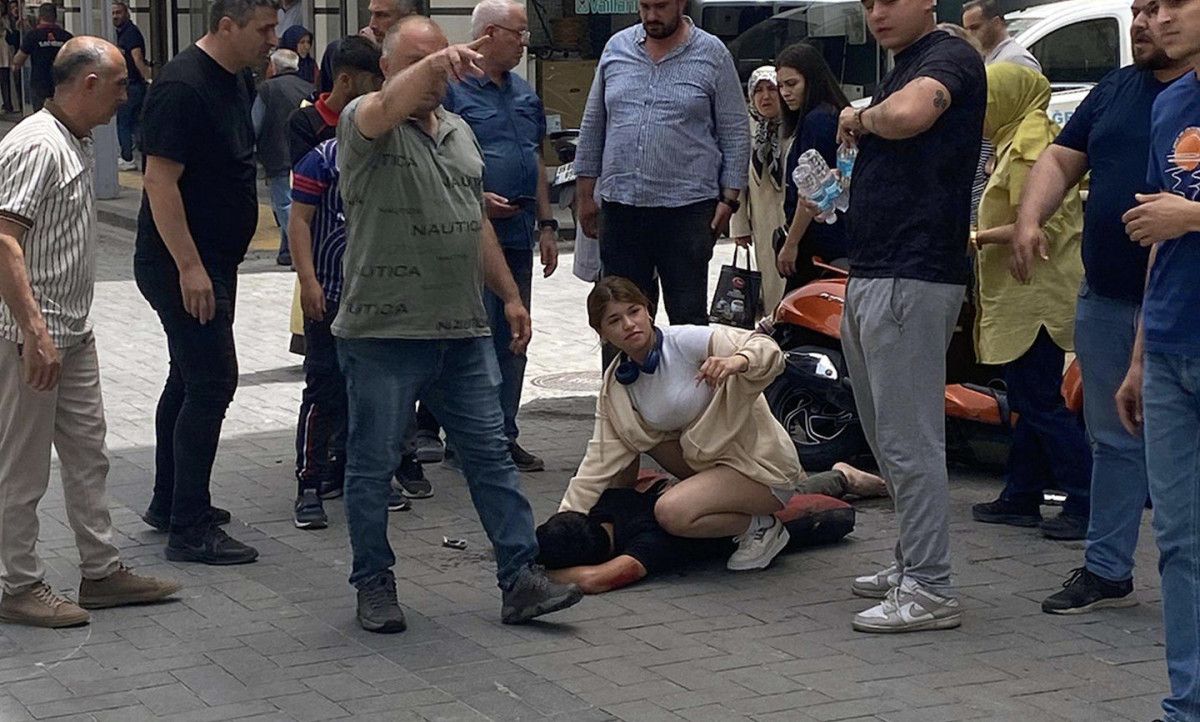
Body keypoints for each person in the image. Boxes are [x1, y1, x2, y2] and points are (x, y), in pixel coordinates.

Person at [334, 17, 583, 632]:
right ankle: (373, 581)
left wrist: (510, 296)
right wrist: (433, 64)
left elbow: (473, 220)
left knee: (490, 455)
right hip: (384, 332)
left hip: (463, 329)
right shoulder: (365, 120)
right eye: (420, 63)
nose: (436, 75)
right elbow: (387, 106)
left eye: (442, 62)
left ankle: (520, 578)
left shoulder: (458, 131)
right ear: (387, 68)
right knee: (373, 464)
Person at [1011, 0, 1188, 616]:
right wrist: (1029, 217)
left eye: (1158, 8)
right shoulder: (1116, 88)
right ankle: (1108, 568)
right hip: (1108, 297)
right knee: (1113, 439)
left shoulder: (1189, 100)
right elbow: (1061, 157)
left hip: (1182, 303)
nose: (1143, 21)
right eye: (1137, 10)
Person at [0, 37, 182, 629]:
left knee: (88, 456)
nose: (127, 96)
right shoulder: (36, 145)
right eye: (121, 84)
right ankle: (18, 585)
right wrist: (34, 330)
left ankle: (101, 572)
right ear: (89, 84)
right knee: (22, 468)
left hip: (72, 332)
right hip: (31, 337)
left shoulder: (70, 140)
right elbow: (4, 240)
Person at [834, 0, 986, 634]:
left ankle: (930, 585)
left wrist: (858, 116)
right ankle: (911, 561)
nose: (876, 12)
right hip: (876, 270)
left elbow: (909, 115)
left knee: (908, 439)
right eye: (867, 2)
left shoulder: (948, 58)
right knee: (884, 436)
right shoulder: (904, 64)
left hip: (913, 273)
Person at [560, 277, 836, 573]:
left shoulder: (684, 341)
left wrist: (738, 361)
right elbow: (599, 458)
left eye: (634, 311)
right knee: (629, 442)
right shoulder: (617, 383)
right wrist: (565, 520)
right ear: (601, 332)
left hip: (757, 467)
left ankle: (761, 527)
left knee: (671, 512)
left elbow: (767, 350)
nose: (629, 324)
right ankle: (699, 497)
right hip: (708, 466)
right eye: (614, 320)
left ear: (648, 311)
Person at [135, 0, 277, 565]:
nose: (273, 38)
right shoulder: (181, 86)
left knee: (188, 377)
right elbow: (158, 181)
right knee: (214, 382)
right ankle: (189, 528)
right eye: (264, 28)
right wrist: (190, 268)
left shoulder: (236, 78)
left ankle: (170, 501)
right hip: (183, 264)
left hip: (214, 260)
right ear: (226, 26)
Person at [1117, 1, 1200, 718]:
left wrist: (1193, 215)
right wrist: (1140, 357)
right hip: (1171, 344)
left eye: (1176, 1)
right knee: (1177, 541)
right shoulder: (1171, 103)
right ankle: (1186, 704)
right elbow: (1155, 236)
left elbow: (1175, 218)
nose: (1160, 17)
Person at [967, 63, 1091, 541]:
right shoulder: (1014, 137)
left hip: (1033, 292)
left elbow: (1031, 222)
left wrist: (975, 238)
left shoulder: (1029, 143)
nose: (979, 112)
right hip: (1024, 289)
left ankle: (1086, 499)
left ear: (1007, 99)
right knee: (1028, 396)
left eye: (985, 102)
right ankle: (1021, 494)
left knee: (1039, 400)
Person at [575, 0, 749, 327]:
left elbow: (735, 131)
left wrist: (729, 199)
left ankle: (685, 364)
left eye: (661, 6)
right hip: (622, 207)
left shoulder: (712, 54)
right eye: (645, 6)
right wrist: (585, 195)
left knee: (687, 316)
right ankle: (623, 364)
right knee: (621, 314)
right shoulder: (617, 48)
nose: (651, 16)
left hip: (687, 209)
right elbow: (593, 124)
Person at [443, 0, 559, 474]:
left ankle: (503, 434)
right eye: (519, 33)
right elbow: (436, 158)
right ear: (490, 34)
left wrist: (548, 225)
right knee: (474, 338)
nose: (525, 42)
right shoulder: (453, 90)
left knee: (514, 336)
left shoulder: (525, 94)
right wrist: (474, 198)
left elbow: (534, 158)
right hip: (469, 238)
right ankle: (468, 438)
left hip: (517, 235)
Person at [540, 466, 877, 593]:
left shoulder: (648, 542)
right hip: (706, 501)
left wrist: (540, 574)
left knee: (804, 505)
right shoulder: (605, 502)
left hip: (736, 520)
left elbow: (595, 580)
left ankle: (844, 477)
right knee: (785, 490)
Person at [775, 43, 851, 291]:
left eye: (791, 84)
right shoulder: (825, 115)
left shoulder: (818, 120)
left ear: (812, 80)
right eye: (781, 86)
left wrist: (791, 243)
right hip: (827, 235)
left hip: (822, 240)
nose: (785, 93)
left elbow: (810, 191)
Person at [730, 66, 787, 314]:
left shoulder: (795, 128)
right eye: (758, 91)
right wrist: (740, 227)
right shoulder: (748, 132)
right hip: (763, 224)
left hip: (793, 221)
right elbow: (737, 181)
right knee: (771, 281)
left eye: (772, 89)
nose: (765, 97)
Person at [253, 48, 311, 267]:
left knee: (285, 205)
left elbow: (255, 123)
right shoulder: (309, 88)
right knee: (298, 204)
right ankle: (287, 252)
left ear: (274, 67)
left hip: (278, 155)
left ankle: (299, 253)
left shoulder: (267, 89)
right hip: (305, 154)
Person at [287, 34, 381, 168]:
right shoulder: (305, 122)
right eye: (374, 82)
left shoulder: (377, 120)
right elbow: (306, 173)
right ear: (345, 81)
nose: (380, 90)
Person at [317, 0, 416, 92]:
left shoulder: (421, 55)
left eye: (382, 15)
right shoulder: (341, 54)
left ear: (409, 18)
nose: (372, 24)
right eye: (371, 14)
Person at [12, 3, 72, 112]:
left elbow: (18, 60)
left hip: (39, 83)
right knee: (61, 114)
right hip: (61, 83)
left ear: (39, 17)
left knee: (41, 115)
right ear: (55, 17)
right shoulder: (66, 36)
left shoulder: (33, 36)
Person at [112, 1, 150, 171]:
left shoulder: (130, 33)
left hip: (132, 84)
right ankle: (143, 156)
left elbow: (137, 58)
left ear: (127, 13)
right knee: (136, 123)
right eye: (113, 13)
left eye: (118, 12)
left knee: (124, 123)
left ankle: (127, 158)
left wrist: (148, 79)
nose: (115, 16)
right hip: (134, 85)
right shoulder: (121, 32)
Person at [961, 0, 1041, 72]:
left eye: (974, 28)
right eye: (966, 29)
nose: (969, 34)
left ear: (996, 23)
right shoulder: (986, 58)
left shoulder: (1017, 59)